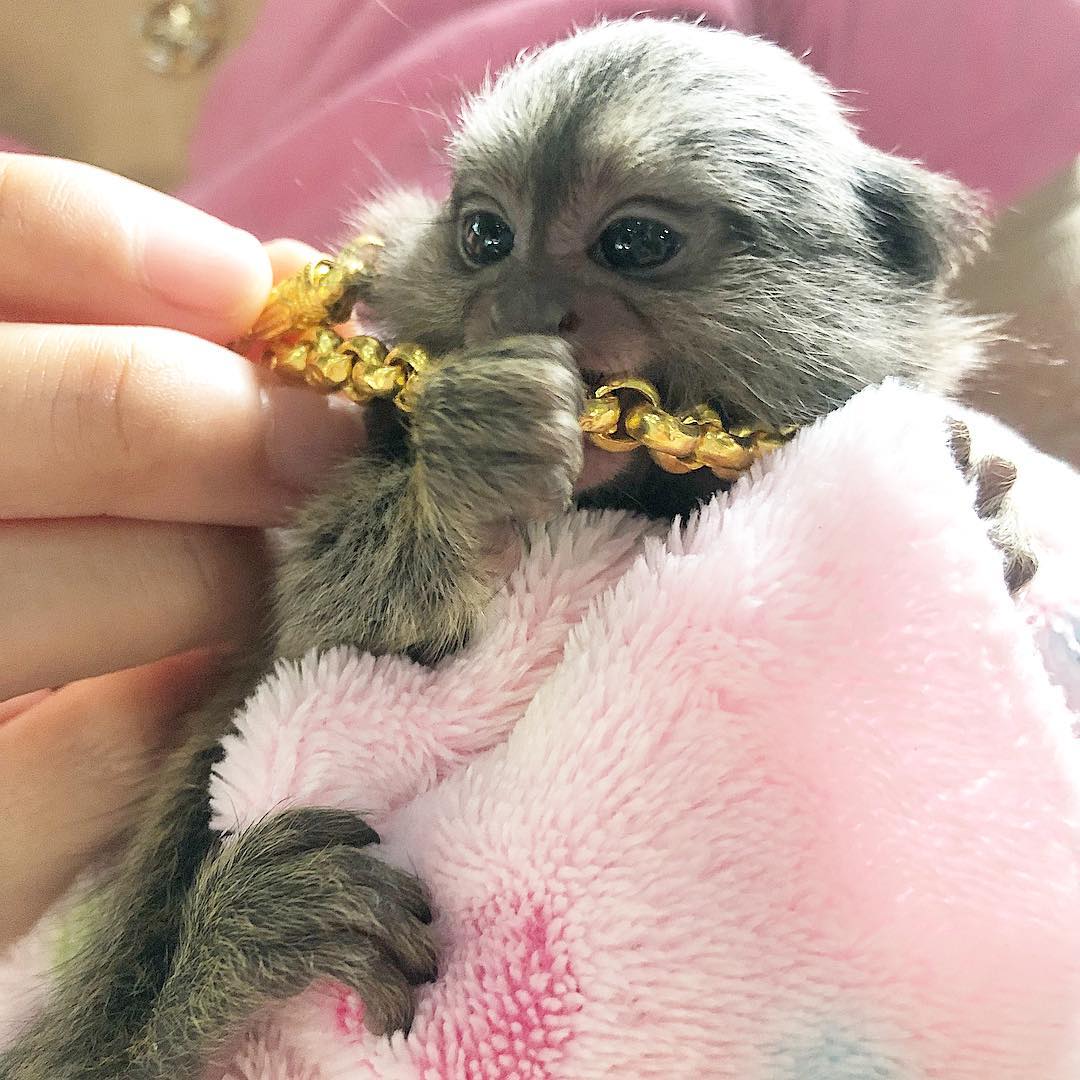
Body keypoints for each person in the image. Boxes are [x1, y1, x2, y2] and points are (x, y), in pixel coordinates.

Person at [0, 0, 1077, 947]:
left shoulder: (918, 468)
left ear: (874, 266)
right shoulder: (387, 422)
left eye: (636, 245)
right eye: (485, 235)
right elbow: (335, 649)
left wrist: (926, 527)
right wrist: (443, 507)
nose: (521, 309)